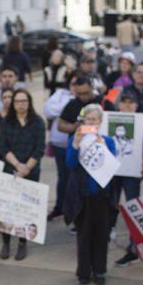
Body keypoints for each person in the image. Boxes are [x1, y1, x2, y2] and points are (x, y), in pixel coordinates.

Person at [64, 104, 117, 285]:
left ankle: (100, 271)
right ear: (83, 121)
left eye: (95, 119)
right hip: (82, 195)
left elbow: (112, 166)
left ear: (100, 122)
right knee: (84, 234)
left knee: (101, 235)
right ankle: (84, 272)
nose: (92, 122)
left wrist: (103, 148)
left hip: (102, 196)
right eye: (89, 119)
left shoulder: (108, 141)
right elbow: (70, 164)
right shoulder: (75, 138)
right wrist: (77, 144)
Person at [0, 89, 45, 261]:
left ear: (29, 102)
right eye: (17, 101)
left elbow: (40, 148)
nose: (20, 104)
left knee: (25, 210)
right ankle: (5, 242)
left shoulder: (38, 122)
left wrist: (26, 168)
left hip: (31, 171)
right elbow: (3, 147)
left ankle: (22, 243)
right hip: (11, 169)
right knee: (7, 209)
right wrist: (18, 165)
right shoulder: (6, 122)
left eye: (24, 101)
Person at [112, 91, 142, 267]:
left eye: (131, 103)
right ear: (119, 105)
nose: (127, 106)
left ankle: (133, 247)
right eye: (124, 102)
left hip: (132, 174)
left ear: (136, 106)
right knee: (111, 205)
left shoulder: (142, 122)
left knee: (133, 208)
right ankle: (109, 235)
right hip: (114, 173)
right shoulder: (109, 122)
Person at [44, 72, 77, 221]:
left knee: (74, 179)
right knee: (63, 178)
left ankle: (72, 211)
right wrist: (68, 108)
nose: (75, 88)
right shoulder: (60, 94)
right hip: (59, 144)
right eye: (73, 83)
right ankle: (60, 207)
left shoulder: (84, 97)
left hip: (76, 146)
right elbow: (48, 110)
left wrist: (61, 111)